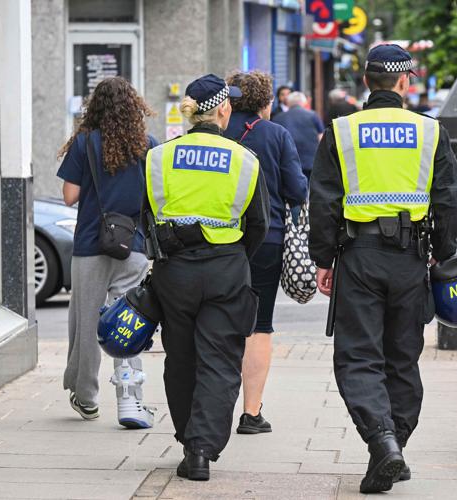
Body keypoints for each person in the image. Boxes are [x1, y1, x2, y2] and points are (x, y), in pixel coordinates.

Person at [309, 44, 457, 494]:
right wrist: (441, 249)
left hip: (358, 257)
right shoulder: (430, 132)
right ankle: (394, 442)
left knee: (359, 356)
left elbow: (322, 201)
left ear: (366, 82)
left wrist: (324, 259)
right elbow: (452, 198)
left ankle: (383, 443)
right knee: (402, 358)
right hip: (411, 259)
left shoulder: (340, 132)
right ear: (405, 83)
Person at [145, 73, 270, 481]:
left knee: (180, 359)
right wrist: (234, 257)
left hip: (174, 272)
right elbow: (259, 224)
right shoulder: (244, 159)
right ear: (222, 110)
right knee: (219, 361)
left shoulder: (159, 157)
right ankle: (202, 449)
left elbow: (146, 216)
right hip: (225, 270)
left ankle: (187, 438)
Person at [57, 77, 156, 428]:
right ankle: (130, 400)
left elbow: (69, 196)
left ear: (95, 106)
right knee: (129, 322)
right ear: (135, 106)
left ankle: (86, 397)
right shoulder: (148, 145)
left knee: (86, 323)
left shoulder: (84, 143)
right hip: (135, 246)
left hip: (91, 244)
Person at [224, 71, 308, 435]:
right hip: (267, 240)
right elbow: (297, 190)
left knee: (217, 322)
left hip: (218, 242)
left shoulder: (217, 133)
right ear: (266, 102)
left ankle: (214, 405)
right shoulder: (276, 135)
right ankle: (251, 413)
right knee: (259, 326)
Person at [273, 91, 325, 180]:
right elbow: (321, 137)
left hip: (287, 161)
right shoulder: (312, 115)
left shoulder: (278, 118)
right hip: (310, 160)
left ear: (288, 103)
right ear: (304, 102)